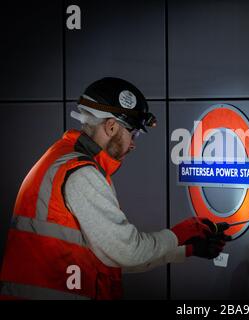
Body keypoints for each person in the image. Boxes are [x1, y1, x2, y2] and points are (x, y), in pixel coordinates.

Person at [0, 77, 229, 300]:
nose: (133, 144)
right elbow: (127, 251)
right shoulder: (81, 172)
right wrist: (178, 234)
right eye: (133, 133)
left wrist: (188, 249)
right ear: (110, 126)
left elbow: (109, 255)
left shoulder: (64, 160)